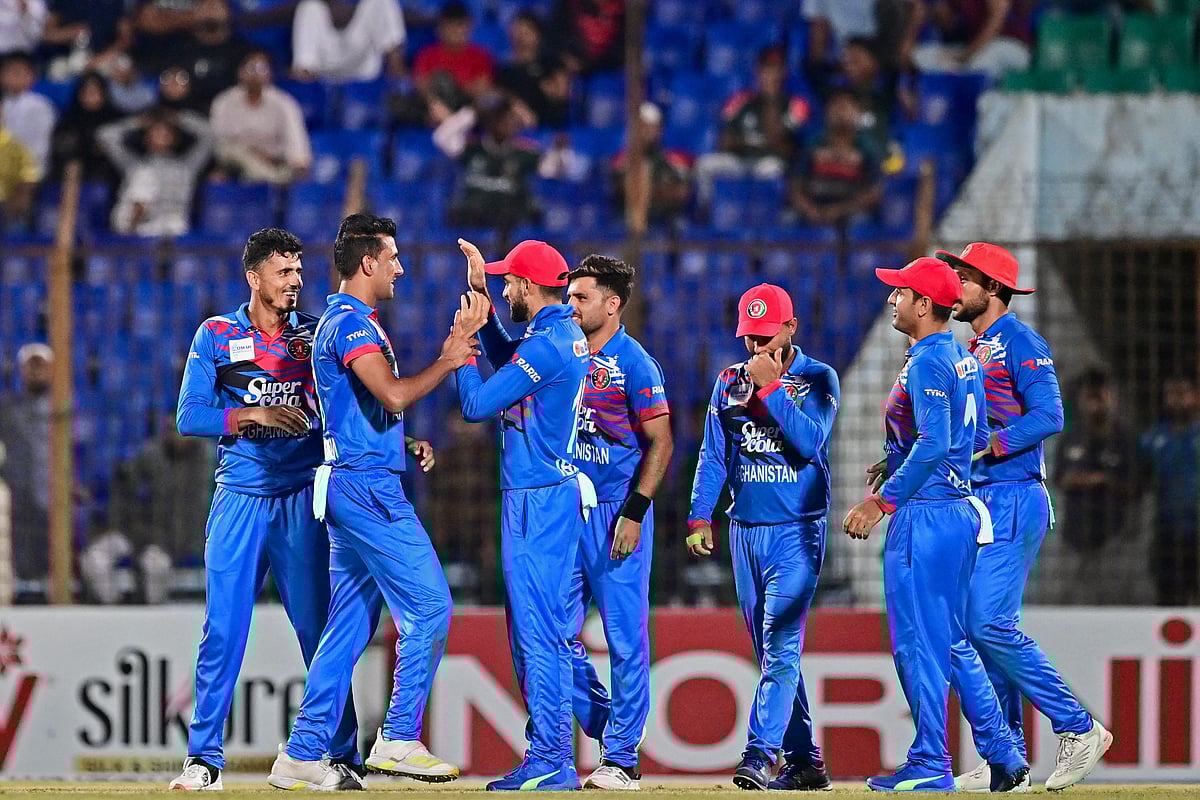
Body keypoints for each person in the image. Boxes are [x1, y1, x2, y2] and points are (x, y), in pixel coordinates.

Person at [268, 214, 480, 790]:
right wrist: (452, 356)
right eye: (392, 258)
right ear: (368, 263)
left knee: (348, 625)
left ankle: (303, 751)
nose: (400, 268)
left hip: (349, 478)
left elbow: (358, 406)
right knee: (431, 607)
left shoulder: (342, 321)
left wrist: (398, 439)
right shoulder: (352, 323)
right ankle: (398, 738)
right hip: (367, 487)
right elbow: (390, 391)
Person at [171, 228, 364, 792]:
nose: (296, 282)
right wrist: (250, 418)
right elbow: (189, 416)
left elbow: (353, 406)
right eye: (284, 272)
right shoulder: (216, 333)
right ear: (254, 278)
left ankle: (342, 754)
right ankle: (204, 760)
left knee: (317, 632)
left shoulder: (316, 334)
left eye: (299, 271)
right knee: (223, 632)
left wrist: (399, 443)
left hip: (303, 499)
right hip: (238, 500)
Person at [843, 257, 1029, 792]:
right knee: (949, 640)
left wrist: (883, 502)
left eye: (899, 293)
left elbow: (933, 441)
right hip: (957, 511)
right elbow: (970, 438)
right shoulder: (961, 356)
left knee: (916, 645)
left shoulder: (927, 360)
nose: (891, 301)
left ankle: (931, 760)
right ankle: (1002, 754)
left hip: (925, 516)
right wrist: (898, 457)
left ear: (924, 305)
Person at [940, 242, 1112, 791]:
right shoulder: (976, 344)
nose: (955, 287)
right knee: (976, 626)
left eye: (964, 278)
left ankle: (1079, 728)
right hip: (984, 500)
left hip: (1013, 494)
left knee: (989, 623)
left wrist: (994, 444)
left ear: (992, 288)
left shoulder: (1020, 341)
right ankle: (1005, 759)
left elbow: (1051, 414)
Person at [687, 284, 840, 791]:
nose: (755, 349)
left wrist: (772, 389)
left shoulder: (818, 378)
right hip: (743, 531)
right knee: (769, 651)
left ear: (791, 328)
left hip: (797, 531)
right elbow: (715, 453)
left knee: (781, 646)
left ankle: (761, 752)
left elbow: (809, 440)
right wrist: (699, 514)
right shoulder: (730, 382)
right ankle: (806, 759)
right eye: (748, 338)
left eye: (765, 336)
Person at [455, 238, 591, 791]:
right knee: (540, 632)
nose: (506, 288)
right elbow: (515, 362)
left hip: (538, 501)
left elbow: (477, 405)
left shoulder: (548, 345)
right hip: (543, 495)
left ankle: (553, 759)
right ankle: (554, 754)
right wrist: (482, 299)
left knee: (539, 634)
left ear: (530, 287)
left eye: (509, 282)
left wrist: (464, 346)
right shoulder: (553, 333)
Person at [564, 255, 673, 790]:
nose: (570, 305)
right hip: (563, 515)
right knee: (552, 637)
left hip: (615, 517)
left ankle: (622, 758)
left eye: (581, 297)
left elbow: (662, 442)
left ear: (612, 304)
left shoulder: (636, 364)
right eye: (569, 295)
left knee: (625, 640)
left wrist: (635, 511)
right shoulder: (561, 351)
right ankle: (610, 726)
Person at [87, 411, 214, 604]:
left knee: (156, 566)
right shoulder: (151, 455)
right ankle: (113, 608)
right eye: (172, 430)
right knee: (96, 558)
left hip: (173, 540)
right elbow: (124, 488)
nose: (176, 435)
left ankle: (152, 618)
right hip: (136, 531)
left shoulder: (207, 460)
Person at [1053, 368, 1143, 604]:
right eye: (1089, 396)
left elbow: (1136, 486)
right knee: (1069, 599)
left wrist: (1104, 480)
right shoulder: (1071, 438)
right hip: (1074, 536)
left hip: (1114, 538)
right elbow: (1060, 479)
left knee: (1113, 598)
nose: (1095, 403)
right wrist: (1094, 479)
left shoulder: (1126, 440)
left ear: (1112, 398)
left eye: (1100, 396)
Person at [694, 46, 810, 207]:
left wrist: (771, 99)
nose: (770, 74)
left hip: (769, 162)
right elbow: (724, 141)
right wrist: (757, 145)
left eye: (776, 69)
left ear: (784, 73)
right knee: (705, 165)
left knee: (769, 172)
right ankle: (706, 215)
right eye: (766, 69)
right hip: (740, 160)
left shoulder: (796, 105)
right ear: (758, 72)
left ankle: (765, 219)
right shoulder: (740, 100)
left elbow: (779, 141)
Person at [97, 106, 212, 236]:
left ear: (174, 137)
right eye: (155, 132)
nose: (160, 136)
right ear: (146, 138)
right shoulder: (134, 165)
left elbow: (209, 136)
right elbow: (105, 135)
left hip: (174, 231)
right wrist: (139, 122)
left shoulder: (187, 166)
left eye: (165, 133)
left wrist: (180, 119)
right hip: (137, 231)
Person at [210, 48, 312, 185]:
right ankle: (271, 179)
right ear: (240, 72)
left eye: (261, 68)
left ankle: (265, 179)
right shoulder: (224, 102)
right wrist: (252, 154)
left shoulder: (284, 104)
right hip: (233, 164)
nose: (255, 73)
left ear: (269, 73)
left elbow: (297, 147)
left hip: (272, 163)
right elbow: (219, 143)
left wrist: (294, 164)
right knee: (231, 153)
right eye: (250, 68)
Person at [1141, 375, 1200, 606]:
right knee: (1168, 595)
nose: (1177, 400)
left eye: (1182, 393)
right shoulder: (1153, 437)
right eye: (1171, 394)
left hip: (1196, 528)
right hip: (1165, 528)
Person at [0, 343, 52, 593]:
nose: (36, 372)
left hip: (52, 493)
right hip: (19, 490)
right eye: (31, 366)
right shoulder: (8, 409)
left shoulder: (62, 408)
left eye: (40, 366)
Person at [788, 89, 882, 228]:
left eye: (845, 107)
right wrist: (809, 209)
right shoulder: (813, 144)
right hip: (815, 206)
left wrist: (839, 210)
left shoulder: (867, 147)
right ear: (827, 113)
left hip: (851, 209)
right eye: (836, 106)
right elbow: (795, 185)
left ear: (857, 112)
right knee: (789, 219)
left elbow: (874, 192)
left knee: (861, 222)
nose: (840, 112)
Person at [291, 0, 406, 82]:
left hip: (365, 76)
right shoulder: (311, 8)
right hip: (322, 78)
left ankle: (395, 87)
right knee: (309, 7)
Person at [49, 70, 120, 185]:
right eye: (87, 92)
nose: (91, 96)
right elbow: (64, 154)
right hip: (74, 178)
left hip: (110, 176)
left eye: (96, 91)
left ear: (104, 94)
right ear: (79, 94)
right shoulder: (68, 122)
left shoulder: (116, 119)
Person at [1, 52, 55, 176]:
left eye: (19, 72)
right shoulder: (4, 103)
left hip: (30, 167)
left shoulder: (40, 106)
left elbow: (42, 144)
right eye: (10, 72)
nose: (14, 76)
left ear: (31, 76)